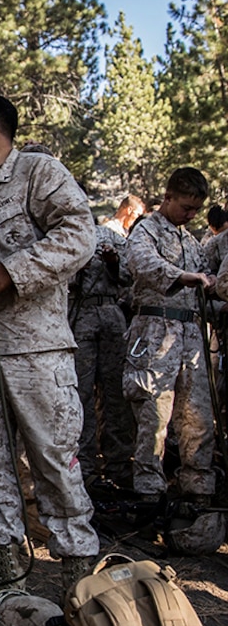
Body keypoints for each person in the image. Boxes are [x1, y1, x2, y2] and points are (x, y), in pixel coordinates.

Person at [0, 94, 98, 597]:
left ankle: (80, 585)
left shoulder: (37, 172)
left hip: (34, 349)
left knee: (53, 461)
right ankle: (11, 584)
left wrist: (15, 270)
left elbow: (79, 234)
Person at [128, 169, 216, 506]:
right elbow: (142, 264)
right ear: (167, 198)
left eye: (196, 210)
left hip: (191, 336)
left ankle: (197, 488)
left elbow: (207, 278)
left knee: (196, 415)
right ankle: (149, 492)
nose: (191, 215)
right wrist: (182, 276)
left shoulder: (191, 240)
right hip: (155, 333)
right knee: (154, 415)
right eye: (185, 207)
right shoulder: (146, 230)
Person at [71, 204, 135, 491]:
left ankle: (119, 464)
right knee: (80, 393)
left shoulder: (111, 236)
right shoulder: (67, 235)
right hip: (79, 315)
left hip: (110, 314)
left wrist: (112, 262)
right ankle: (83, 466)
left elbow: (130, 277)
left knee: (115, 394)